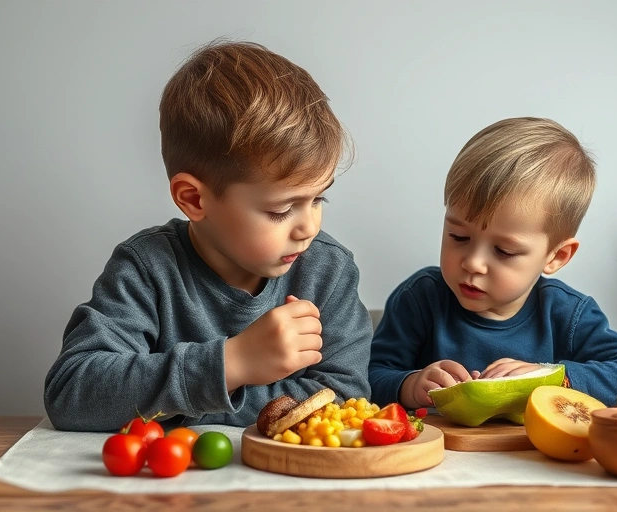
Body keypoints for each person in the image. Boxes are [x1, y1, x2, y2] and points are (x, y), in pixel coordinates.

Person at [44, 40, 373, 432]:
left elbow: (346, 396)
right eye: (281, 210)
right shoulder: (147, 268)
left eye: (319, 198)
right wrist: (232, 363)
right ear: (194, 199)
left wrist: (180, 407)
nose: (309, 228)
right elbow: (72, 392)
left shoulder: (327, 270)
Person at [369, 117, 617, 410]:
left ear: (556, 257)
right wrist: (409, 385)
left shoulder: (565, 313)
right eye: (458, 237)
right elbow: (369, 376)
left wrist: (553, 376)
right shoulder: (420, 299)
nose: (473, 263)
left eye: (504, 251)